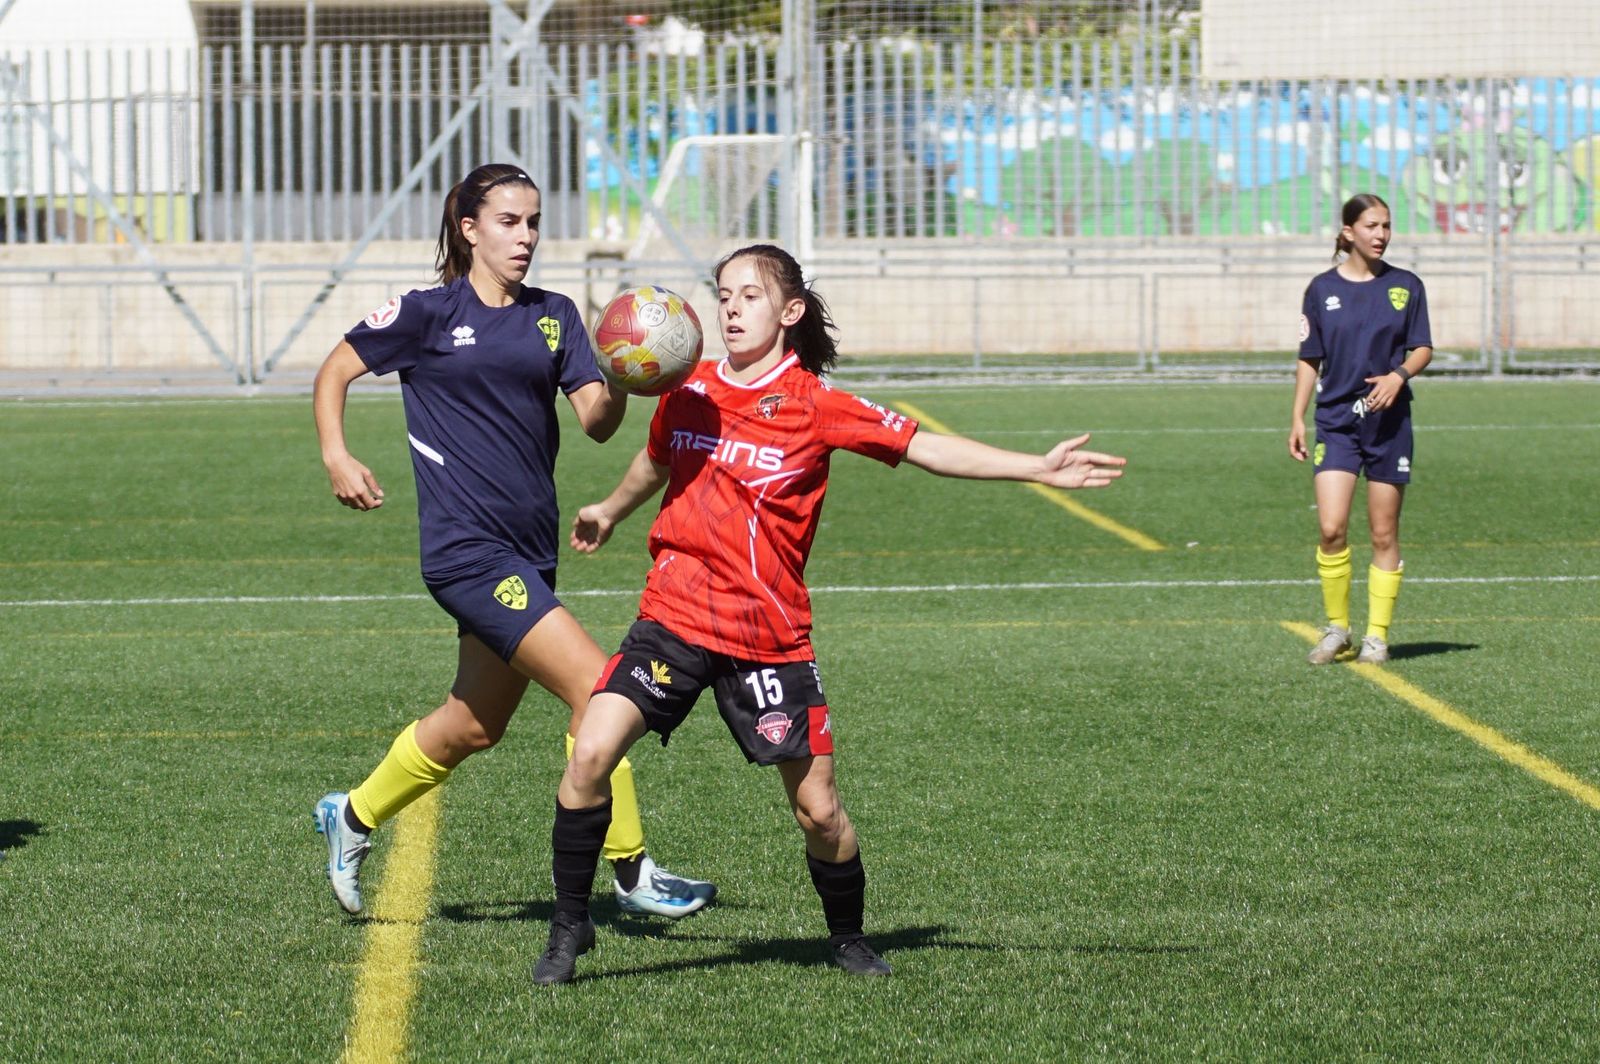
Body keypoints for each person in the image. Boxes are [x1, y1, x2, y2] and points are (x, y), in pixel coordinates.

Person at [532, 243, 1127, 985]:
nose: (730, 309)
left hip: (766, 635)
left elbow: (923, 447)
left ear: (789, 312)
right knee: (590, 753)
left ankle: (847, 938)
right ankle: (569, 928)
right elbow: (657, 460)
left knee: (818, 811)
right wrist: (612, 511)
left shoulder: (815, 404)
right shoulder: (688, 391)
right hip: (674, 619)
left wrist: (1035, 465)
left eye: (749, 296)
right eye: (723, 295)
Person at [310, 163, 715, 920]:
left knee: (473, 723)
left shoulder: (554, 314)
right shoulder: (427, 313)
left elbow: (596, 421)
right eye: (508, 222)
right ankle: (631, 872)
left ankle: (353, 815)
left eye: (533, 222)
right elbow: (334, 370)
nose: (525, 236)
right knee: (603, 690)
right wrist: (337, 453)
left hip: (530, 554)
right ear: (469, 229)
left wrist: (632, 372)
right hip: (468, 553)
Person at [1290, 193, 1433, 665]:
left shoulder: (1406, 286)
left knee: (1383, 532)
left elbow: (1422, 348)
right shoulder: (1320, 288)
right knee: (1331, 529)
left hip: (1388, 425)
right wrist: (1296, 415)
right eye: (1372, 226)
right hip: (1335, 422)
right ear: (1349, 232)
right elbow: (1310, 357)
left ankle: (1376, 635)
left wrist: (1399, 376)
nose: (1381, 235)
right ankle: (1337, 629)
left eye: (1387, 226)